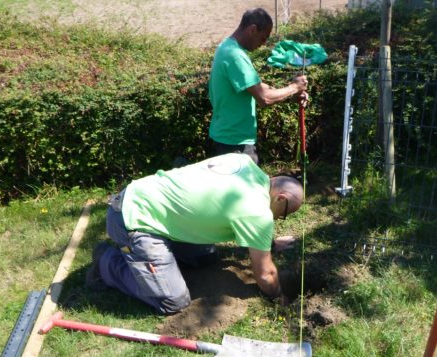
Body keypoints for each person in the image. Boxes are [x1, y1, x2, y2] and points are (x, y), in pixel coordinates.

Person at [87, 153, 304, 315]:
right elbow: (266, 276)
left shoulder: (244, 163)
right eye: (284, 214)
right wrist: (279, 298)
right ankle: (106, 261)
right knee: (173, 302)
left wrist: (271, 243)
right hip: (133, 220)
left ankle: (155, 262)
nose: (279, 219)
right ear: (281, 198)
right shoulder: (257, 211)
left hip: (144, 197)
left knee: (205, 257)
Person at [209, 7, 308, 164]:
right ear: (252, 29)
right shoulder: (235, 56)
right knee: (247, 188)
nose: (264, 44)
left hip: (228, 136)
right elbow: (264, 99)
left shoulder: (227, 48)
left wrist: (291, 91)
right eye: (263, 38)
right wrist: (294, 87)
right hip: (236, 143)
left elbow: (256, 86)